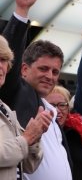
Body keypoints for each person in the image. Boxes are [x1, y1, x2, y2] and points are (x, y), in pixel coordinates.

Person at [0, 0, 72, 179]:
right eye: (43, 69)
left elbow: (30, 164)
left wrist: (33, 139)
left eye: (55, 72)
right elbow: (7, 55)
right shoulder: (18, 93)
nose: (50, 76)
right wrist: (22, 10)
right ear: (23, 69)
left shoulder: (51, 112)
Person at [0, 35, 52, 180]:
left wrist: (35, 136)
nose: (1, 66)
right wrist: (26, 138)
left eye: (3, 60)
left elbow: (29, 166)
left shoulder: (5, 109)